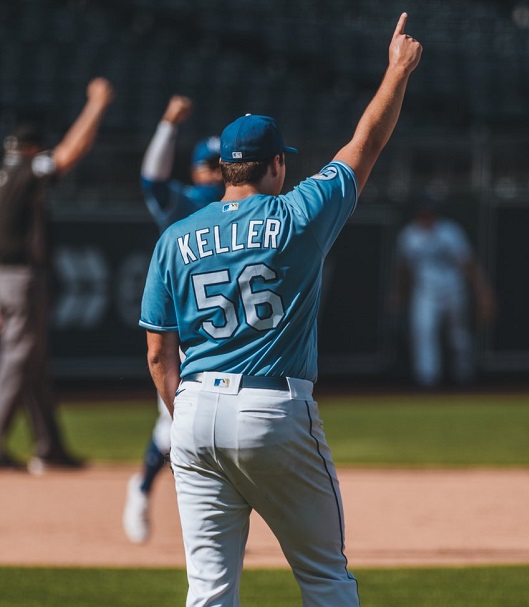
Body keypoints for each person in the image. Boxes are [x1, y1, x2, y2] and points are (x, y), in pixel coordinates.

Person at [139, 13, 421, 607]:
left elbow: (159, 354)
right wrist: (397, 71)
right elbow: (364, 144)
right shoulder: (297, 215)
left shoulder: (175, 237)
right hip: (272, 408)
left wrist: (188, 415)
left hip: (193, 411)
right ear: (276, 165)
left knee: (208, 591)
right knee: (325, 578)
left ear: (224, 169)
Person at [123, 95, 224, 543]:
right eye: (210, 165)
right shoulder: (188, 201)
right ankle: (144, 487)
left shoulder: (246, 202)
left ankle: (156, 491)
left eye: (223, 164)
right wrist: (167, 125)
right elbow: (152, 179)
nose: (217, 172)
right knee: (175, 426)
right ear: (198, 169)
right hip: (184, 331)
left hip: (227, 329)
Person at [0, 78, 115, 473]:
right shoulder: (29, 167)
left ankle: (48, 446)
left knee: (33, 362)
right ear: (33, 148)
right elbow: (69, 153)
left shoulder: (3, 172)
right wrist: (96, 105)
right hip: (20, 277)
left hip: (3, 276)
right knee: (19, 358)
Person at [394, 192, 496, 388]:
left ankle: (464, 378)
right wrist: (398, 293)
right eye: (423, 213)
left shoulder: (449, 232)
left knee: (459, 337)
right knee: (423, 332)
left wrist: (482, 292)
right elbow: (403, 269)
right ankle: (427, 381)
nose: (426, 216)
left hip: (453, 290)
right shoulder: (409, 235)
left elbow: (469, 264)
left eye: (429, 212)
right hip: (425, 292)